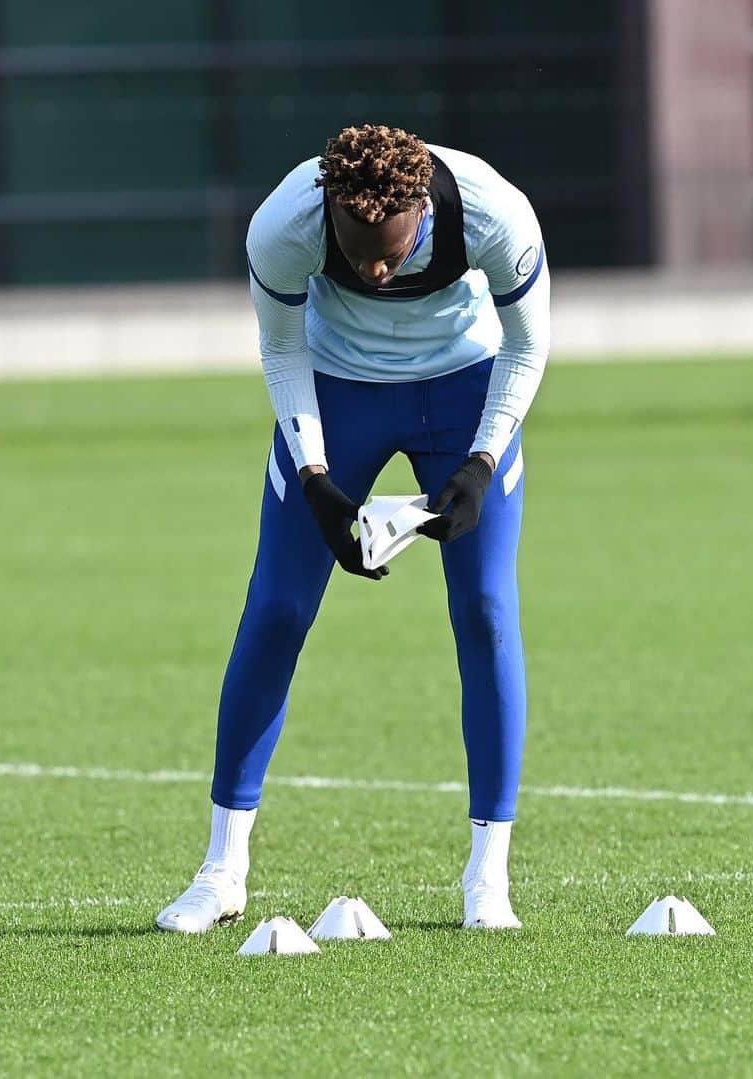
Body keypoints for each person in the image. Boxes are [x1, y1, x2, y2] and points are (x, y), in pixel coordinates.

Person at [156, 124, 550, 933]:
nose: (373, 268)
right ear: (328, 210)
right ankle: (222, 870)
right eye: (357, 247)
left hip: (465, 386)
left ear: (421, 214)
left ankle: (488, 877)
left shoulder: (493, 213)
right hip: (339, 390)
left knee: (485, 610)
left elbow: (526, 345)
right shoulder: (283, 225)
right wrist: (315, 479)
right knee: (277, 608)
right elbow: (282, 349)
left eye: (392, 249)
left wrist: (480, 462)